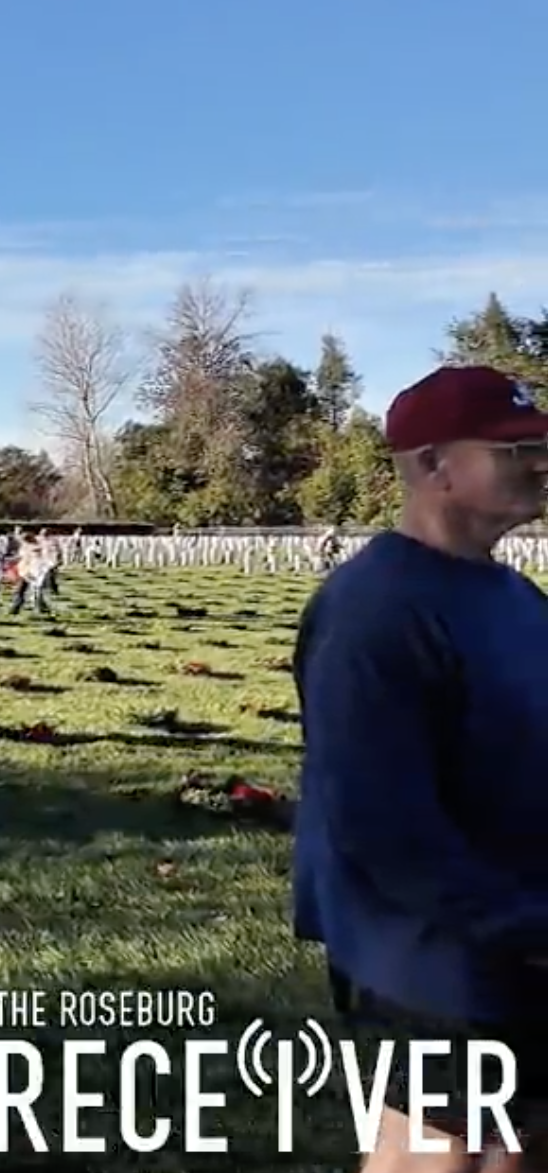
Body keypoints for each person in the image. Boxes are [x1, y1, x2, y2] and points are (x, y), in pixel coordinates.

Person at [294, 364, 548, 1171]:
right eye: (513, 449)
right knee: (445, 1154)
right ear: (434, 464)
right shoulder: (375, 609)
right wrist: (524, 929)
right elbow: (381, 824)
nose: (540, 462)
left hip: (522, 928)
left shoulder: (516, 597)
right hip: (431, 950)